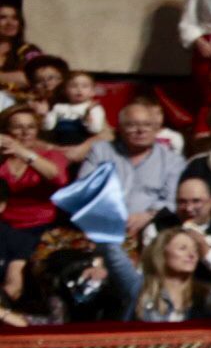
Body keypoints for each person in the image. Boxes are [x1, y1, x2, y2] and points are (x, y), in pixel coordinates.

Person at [81, 96, 185, 240]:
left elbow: (173, 200)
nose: (141, 130)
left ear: (156, 128)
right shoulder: (100, 152)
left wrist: (148, 215)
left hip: (150, 230)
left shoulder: (172, 161)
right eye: (132, 125)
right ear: (120, 128)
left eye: (147, 125)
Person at [139, 174, 211, 293]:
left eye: (196, 201)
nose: (189, 208)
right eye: (182, 202)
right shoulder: (159, 227)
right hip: (167, 294)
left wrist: (207, 252)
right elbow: (146, 271)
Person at [0, 106, 69, 293]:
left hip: (39, 225)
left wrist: (23, 152)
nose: (24, 132)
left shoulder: (51, 155)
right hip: (4, 223)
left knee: (15, 269)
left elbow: (58, 178)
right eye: (17, 127)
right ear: (6, 130)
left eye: (30, 127)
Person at [132, 228, 211, 322]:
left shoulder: (210, 296)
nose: (192, 255)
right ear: (162, 253)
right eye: (183, 248)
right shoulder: (141, 292)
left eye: (195, 250)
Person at [41, 69, 107, 158]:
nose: (79, 90)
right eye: (73, 86)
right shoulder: (59, 108)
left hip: (84, 151)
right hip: (61, 147)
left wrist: (87, 118)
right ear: (65, 90)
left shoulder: (94, 108)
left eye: (85, 86)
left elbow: (95, 129)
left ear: (92, 91)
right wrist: (46, 114)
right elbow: (48, 127)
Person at [0, 2, 42, 90]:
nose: (10, 23)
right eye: (2, 18)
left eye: (15, 18)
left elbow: (31, 78)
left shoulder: (28, 50)